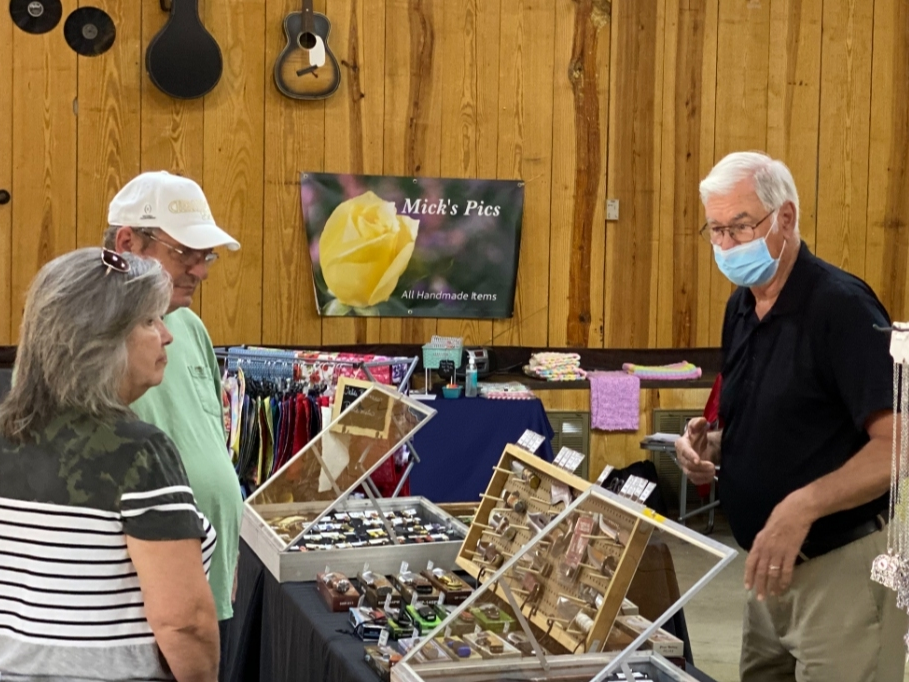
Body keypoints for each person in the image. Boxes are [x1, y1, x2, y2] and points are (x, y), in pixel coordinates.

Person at [675, 151, 906, 682]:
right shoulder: (741, 306)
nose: (729, 245)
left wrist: (802, 506)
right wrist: (710, 446)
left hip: (840, 573)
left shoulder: (841, 307)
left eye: (740, 226)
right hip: (766, 572)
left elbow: (898, 444)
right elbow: (777, 421)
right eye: (716, 231)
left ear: (785, 218)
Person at [0, 248, 219, 681]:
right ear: (99, 339)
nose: (166, 335)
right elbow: (184, 623)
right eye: (149, 321)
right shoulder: (137, 453)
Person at [104, 171, 243, 670]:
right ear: (127, 243)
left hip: (209, 592)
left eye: (205, 256)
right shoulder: (87, 340)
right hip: (144, 604)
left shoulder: (187, 324)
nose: (199, 270)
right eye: (185, 253)